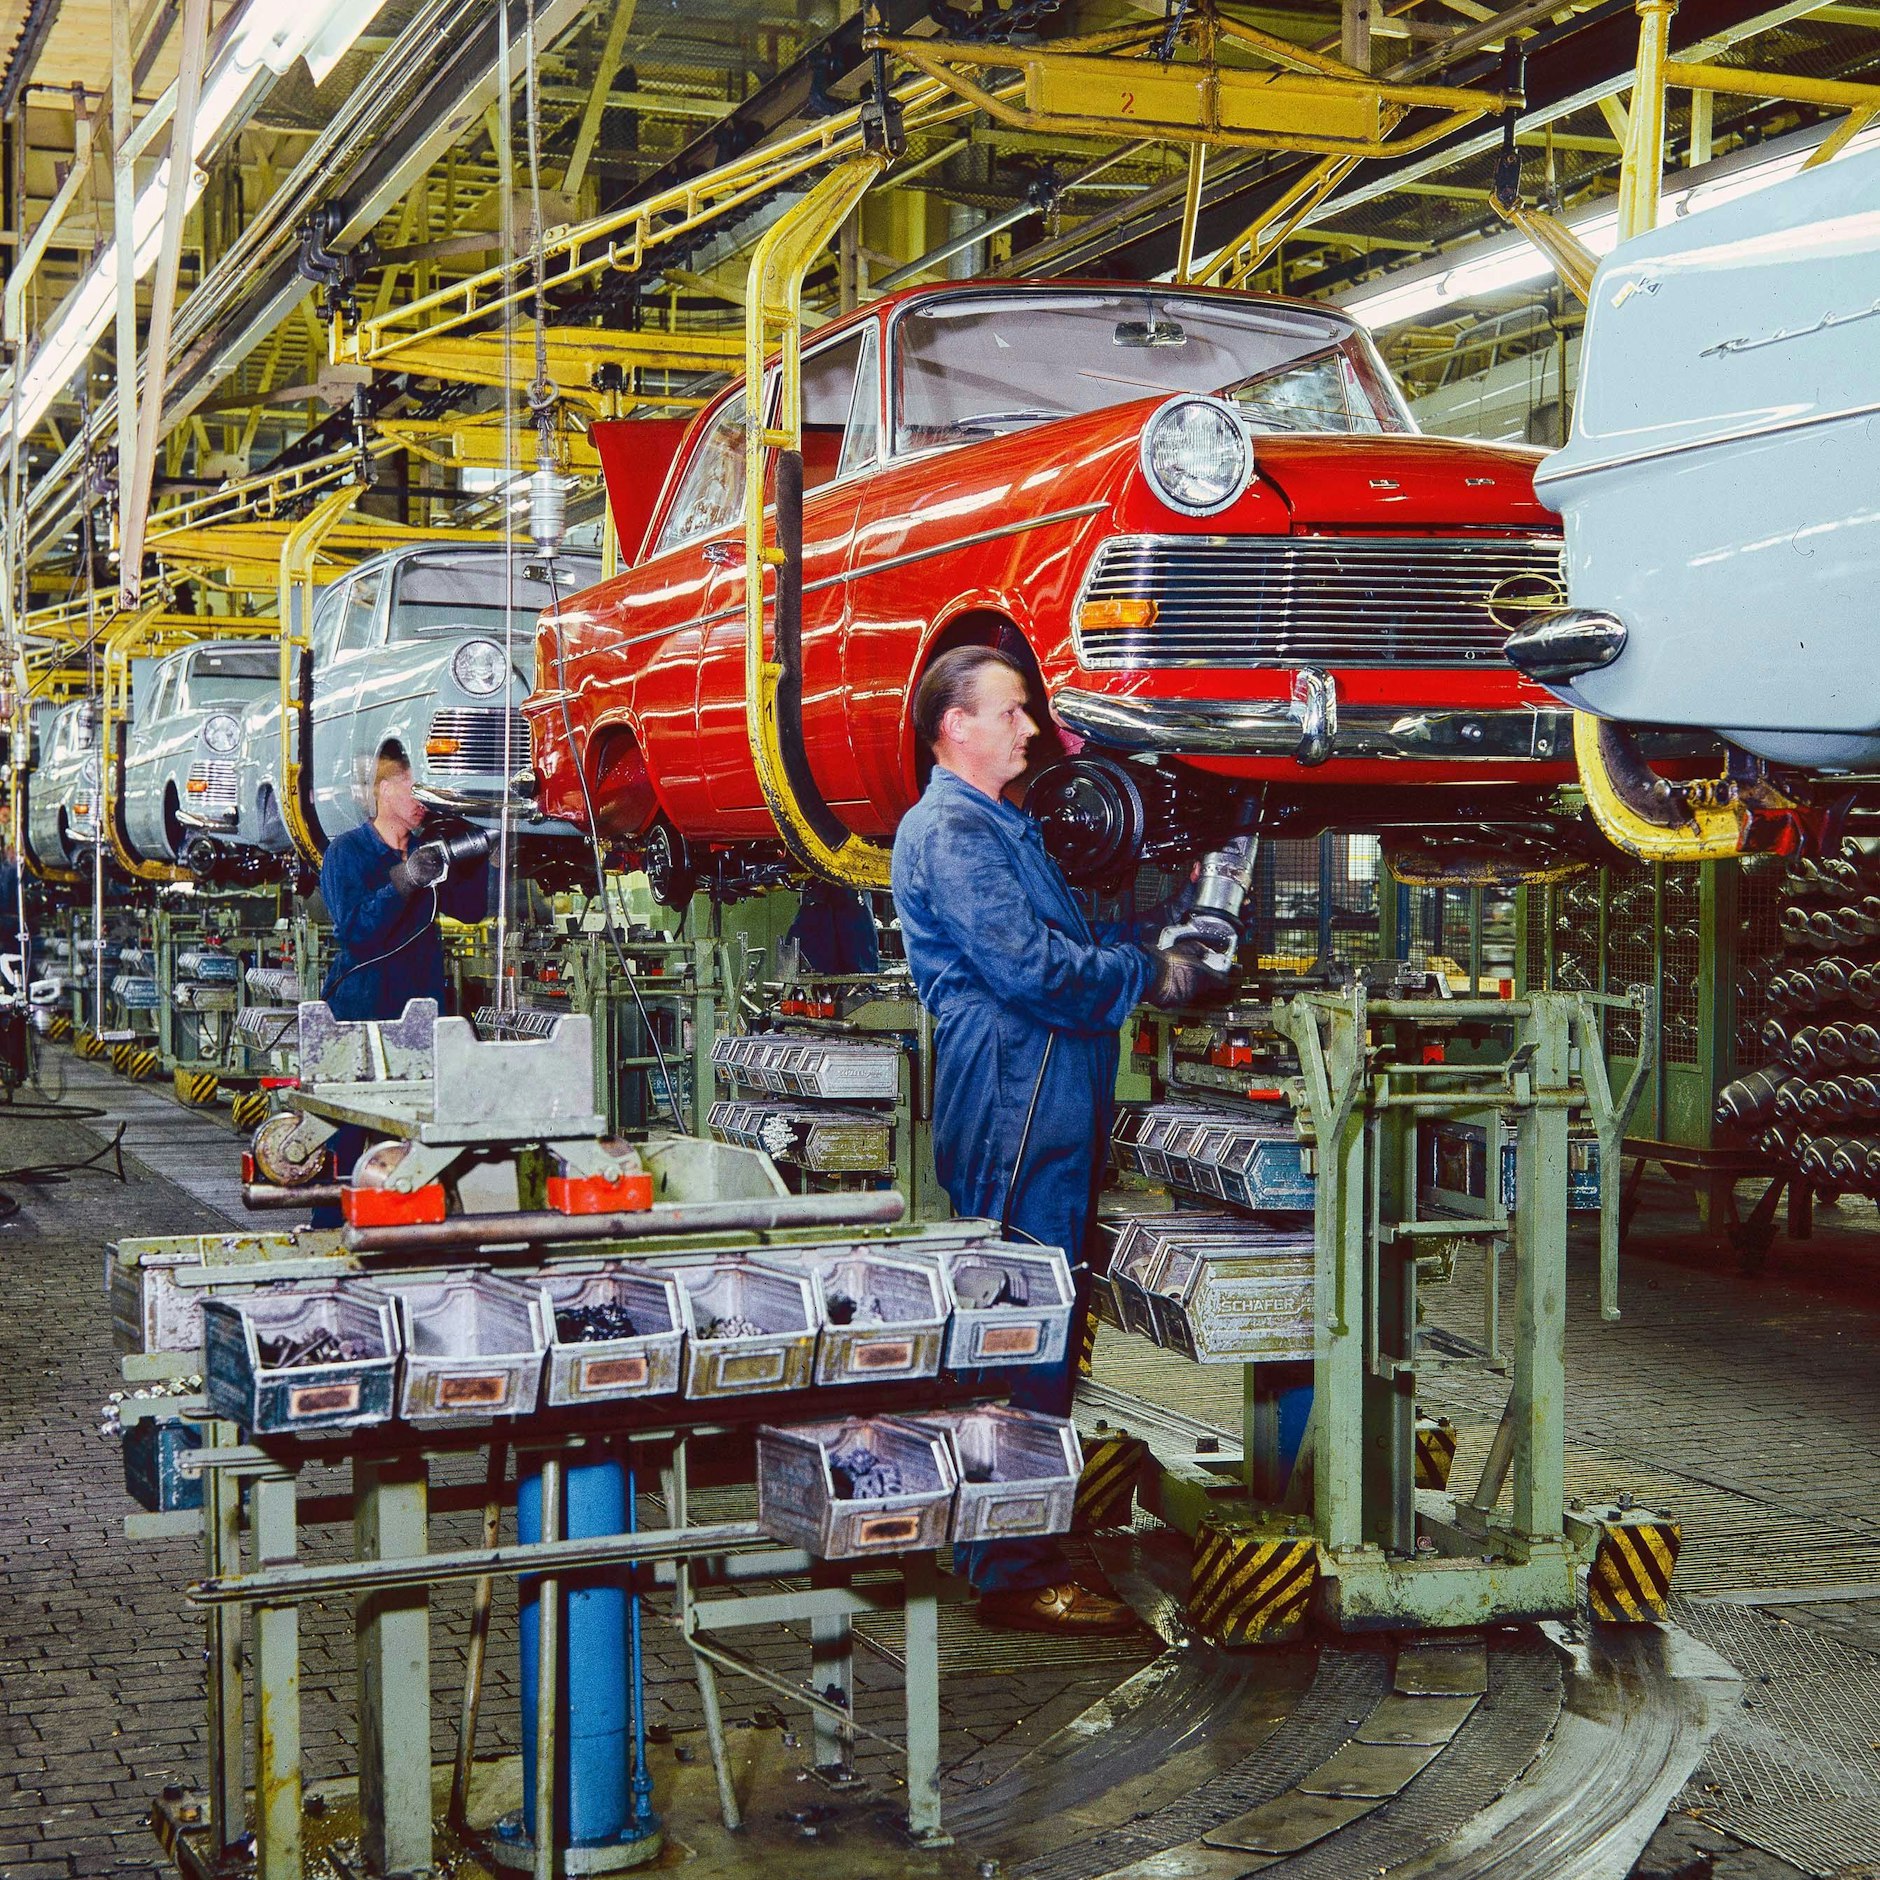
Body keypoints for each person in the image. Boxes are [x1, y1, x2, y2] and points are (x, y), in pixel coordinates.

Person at [891, 645, 1211, 1634]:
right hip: (1015, 1082)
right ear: (955, 726)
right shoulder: (951, 827)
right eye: (1011, 712)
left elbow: (1061, 940)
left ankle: (989, 1532)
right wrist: (1143, 976)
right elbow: (1030, 968)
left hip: (1037, 1078)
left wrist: (1160, 927)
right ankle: (1014, 1568)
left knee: (1023, 1319)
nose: (1030, 729)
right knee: (1018, 1325)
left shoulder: (996, 823)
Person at [310, 753, 491, 1226]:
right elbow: (355, 931)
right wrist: (405, 880)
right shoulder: (346, 852)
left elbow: (472, 912)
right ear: (383, 790)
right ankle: (330, 1232)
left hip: (418, 1010)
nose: (422, 800)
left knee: (418, 1130)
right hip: (359, 1012)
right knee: (345, 1132)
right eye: (415, 788)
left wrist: (475, 852)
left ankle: (409, 1226)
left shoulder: (429, 847)